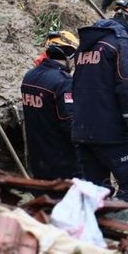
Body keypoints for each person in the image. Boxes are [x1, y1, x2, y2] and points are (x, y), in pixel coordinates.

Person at [72, 0, 128, 219]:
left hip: (82, 130)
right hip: (112, 133)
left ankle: (93, 236)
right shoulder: (124, 43)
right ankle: (109, 235)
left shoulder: (87, 45)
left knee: (96, 189)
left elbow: (76, 85)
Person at [21, 30, 80, 180]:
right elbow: (70, 124)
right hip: (62, 163)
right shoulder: (63, 82)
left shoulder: (29, 76)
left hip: (38, 159)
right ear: (70, 55)